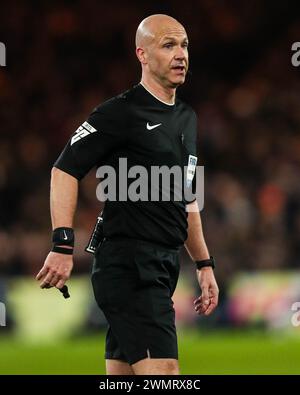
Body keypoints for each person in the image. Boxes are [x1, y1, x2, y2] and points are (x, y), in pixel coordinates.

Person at [35, 14, 219, 375]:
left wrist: (204, 264)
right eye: (168, 45)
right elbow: (64, 169)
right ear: (143, 55)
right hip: (130, 264)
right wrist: (62, 243)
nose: (180, 54)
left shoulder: (187, 118)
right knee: (164, 373)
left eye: (184, 45)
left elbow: (188, 198)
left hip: (163, 265)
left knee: (123, 378)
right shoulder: (120, 112)